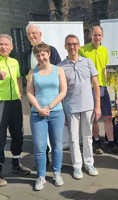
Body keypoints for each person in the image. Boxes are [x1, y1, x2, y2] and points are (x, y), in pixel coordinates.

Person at [26, 43, 67, 190]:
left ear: (49, 54)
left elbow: (63, 91)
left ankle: (56, 173)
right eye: (38, 55)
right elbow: (29, 93)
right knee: (39, 147)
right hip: (37, 114)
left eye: (43, 54)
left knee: (57, 146)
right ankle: (41, 176)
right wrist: (39, 109)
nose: (41, 57)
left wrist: (49, 107)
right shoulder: (32, 72)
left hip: (56, 113)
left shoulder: (59, 70)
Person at [60, 34, 101, 179]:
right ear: (65, 46)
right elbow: (61, 91)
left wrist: (98, 106)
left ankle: (89, 164)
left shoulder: (88, 62)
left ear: (79, 46)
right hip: (70, 108)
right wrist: (63, 113)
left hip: (88, 106)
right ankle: (77, 166)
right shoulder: (61, 66)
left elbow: (96, 85)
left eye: (75, 44)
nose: (72, 47)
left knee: (88, 137)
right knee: (73, 139)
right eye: (69, 44)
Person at [79, 25, 118, 154]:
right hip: (90, 88)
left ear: (102, 36)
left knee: (108, 116)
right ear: (91, 35)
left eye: (99, 35)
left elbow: (104, 69)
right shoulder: (82, 50)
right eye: (95, 34)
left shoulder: (104, 51)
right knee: (94, 117)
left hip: (103, 87)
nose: (97, 37)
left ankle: (111, 142)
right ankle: (96, 142)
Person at [26, 23, 61, 166]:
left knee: (54, 134)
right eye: (29, 34)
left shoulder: (51, 50)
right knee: (40, 133)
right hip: (34, 98)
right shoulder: (27, 52)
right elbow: (25, 73)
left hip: (52, 99)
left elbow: (59, 71)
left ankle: (56, 163)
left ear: (40, 34)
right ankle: (43, 160)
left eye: (34, 33)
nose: (32, 36)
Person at [0, 34, 31, 187]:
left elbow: (19, 78)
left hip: (15, 103)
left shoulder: (14, 62)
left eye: (6, 44)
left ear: (11, 47)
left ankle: (16, 164)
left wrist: (19, 93)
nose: (3, 47)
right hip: (1, 102)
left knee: (18, 134)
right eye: (0, 44)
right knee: (0, 137)